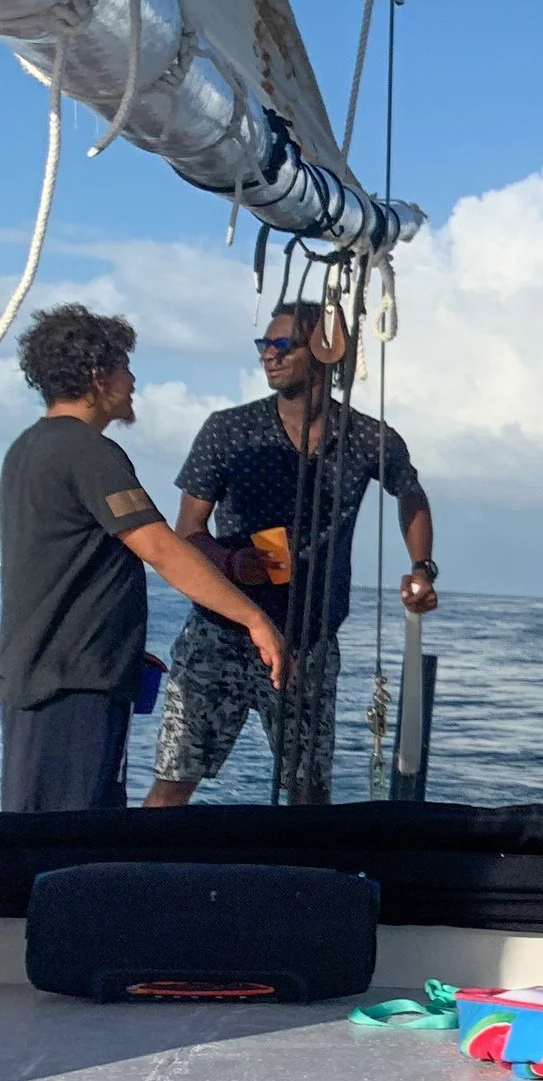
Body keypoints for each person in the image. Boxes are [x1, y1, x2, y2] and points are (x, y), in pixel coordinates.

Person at [144, 301, 438, 806]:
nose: (269, 356)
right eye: (264, 345)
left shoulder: (368, 437)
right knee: (175, 780)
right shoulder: (228, 430)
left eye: (283, 345)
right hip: (223, 634)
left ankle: (310, 883)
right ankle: (135, 880)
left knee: (308, 793)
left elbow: (410, 493)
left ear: (325, 351)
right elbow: (188, 531)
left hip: (310, 642)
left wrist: (421, 568)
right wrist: (235, 564)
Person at [1, 306, 284, 812]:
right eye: (125, 367)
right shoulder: (88, 451)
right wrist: (253, 618)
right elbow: (161, 548)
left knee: (40, 834)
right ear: (97, 375)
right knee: (69, 845)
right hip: (75, 684)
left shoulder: (25, 449)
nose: (132, 382)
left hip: (40, 678)